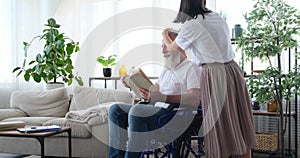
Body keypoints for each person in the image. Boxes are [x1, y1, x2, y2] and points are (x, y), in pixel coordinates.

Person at [161, 0, 257, 158]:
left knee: (219, 128)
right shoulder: (217, 17)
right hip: (233, 70)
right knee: (240, 124)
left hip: (214, 73)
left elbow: (172, 49)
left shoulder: (192, 24)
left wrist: (165, 34)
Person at [108, 32, 201, 158]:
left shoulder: (191, 68)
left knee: (137, 111)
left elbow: (195, 98)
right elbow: (154, 91)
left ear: (179, 45)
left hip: (174, 115)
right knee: (115, 109)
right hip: (156, 109)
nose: (162, 51)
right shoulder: (167, 69)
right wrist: (132, 84)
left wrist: (165, 97)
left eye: (166, 46)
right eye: (162, 46)